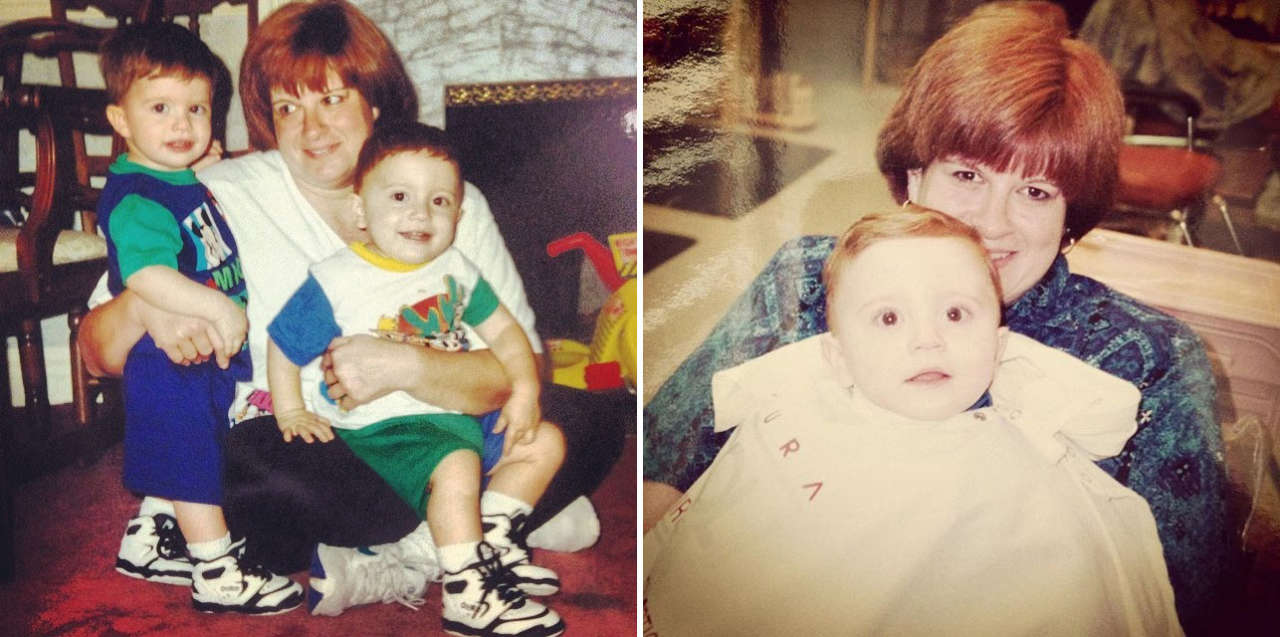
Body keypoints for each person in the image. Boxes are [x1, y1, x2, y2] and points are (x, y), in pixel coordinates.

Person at [643, 1, 1229, 632]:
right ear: (914, 177)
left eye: (1035, 191)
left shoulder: (1148, 360)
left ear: (1071, 217)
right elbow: (662, 465)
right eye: (968, 174)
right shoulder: (809, 283)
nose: (992, 223)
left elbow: (1173, 603)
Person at [81, 0, 620, 615]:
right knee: (251, 472)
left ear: (375, 102)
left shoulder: (447, 197)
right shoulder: (217, 193)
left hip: (438, 434)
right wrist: (144, 307)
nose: (311, 129)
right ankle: (485, 524)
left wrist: (408, 367)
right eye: (288, 108)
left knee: (592, 418)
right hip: (316, 447)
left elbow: (516, 366)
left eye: (332, 99)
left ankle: (415, 550)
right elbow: (96, 354)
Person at [643, 206, 1182, 635]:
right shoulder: (796, 406)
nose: (928, 339)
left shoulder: (1028, 469)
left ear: (998, 345)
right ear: (837, 356)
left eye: (955, 313)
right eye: (889, 317)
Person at [267, 121, 563, 635]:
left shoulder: (456, 269)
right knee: (456, 463)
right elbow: (284, 343)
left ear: (458, 215)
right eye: (400, 196)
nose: (420, 214)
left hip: (455, 414)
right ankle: (467, 595)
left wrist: (525, 390)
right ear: (361, 210)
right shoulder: (338, 278)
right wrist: (290, 409)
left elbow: (506, 333)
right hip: (388, 428)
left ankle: (491, 544)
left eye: (439, 201)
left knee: (544, 441)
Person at [96, 22, 302, 615]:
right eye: (159, 108)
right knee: (191, 456)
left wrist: (202, 165)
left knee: (196, 443)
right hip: (171, 355)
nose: (181, 124)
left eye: (196, 109)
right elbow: (143, 273)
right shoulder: (139, 198)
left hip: (195, 352)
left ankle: (149, 539)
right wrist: (216, 306)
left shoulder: (171, 178)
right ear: (120, 120)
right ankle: (215, 570)